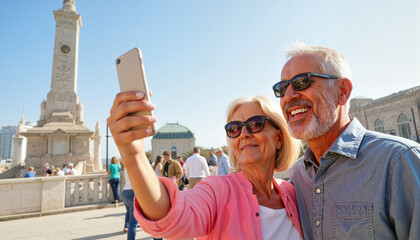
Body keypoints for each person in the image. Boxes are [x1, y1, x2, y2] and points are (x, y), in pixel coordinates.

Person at [273, 42, 420, 239]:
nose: (288, 96)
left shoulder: (398, 161)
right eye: (282, 88)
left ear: (342, 91)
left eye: (301, 82)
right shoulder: (299, 174)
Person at [107, 92, 303, 239]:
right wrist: (134, 156)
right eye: (234, 129)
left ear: (279, 137)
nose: (244, 133)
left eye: (255, 124)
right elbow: (170, 215)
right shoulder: (217, 191)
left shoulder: (293, 193)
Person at [121, 164, 139, 240]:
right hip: (132, 192)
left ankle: (126, 225)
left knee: (128, 213)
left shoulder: (126, 166)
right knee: (133, 222)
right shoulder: (134, 166)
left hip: (125, 192)